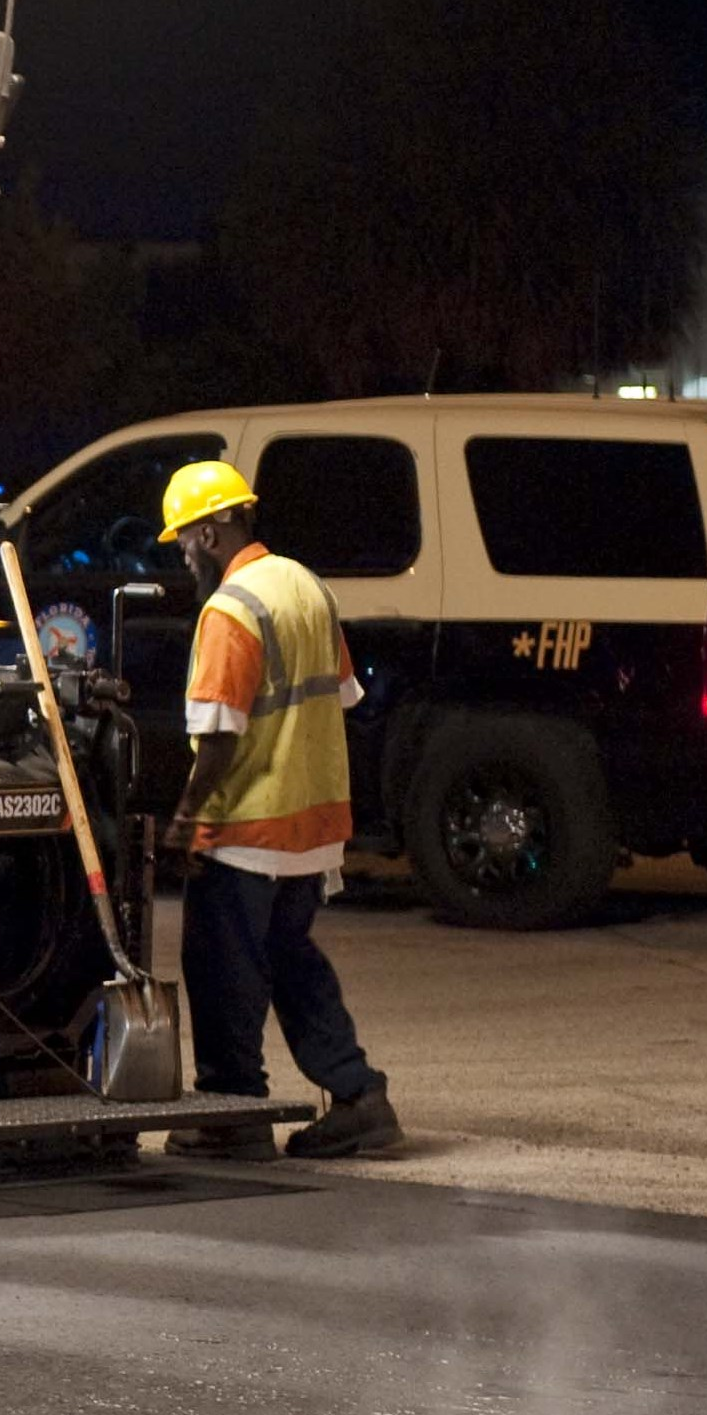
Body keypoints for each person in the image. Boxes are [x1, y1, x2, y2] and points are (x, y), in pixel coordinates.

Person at [151, 459, 403, 1161]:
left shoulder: (230, 611)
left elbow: (219, 736)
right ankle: (358, 1097)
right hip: (313, 828)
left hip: (246, 832)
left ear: (212, 529)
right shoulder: (305, 587)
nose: (180, 553)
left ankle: (233, 1114)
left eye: (184, 538)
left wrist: (183, 819)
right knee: (290, 961)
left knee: (221, 968)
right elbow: (345, 698)